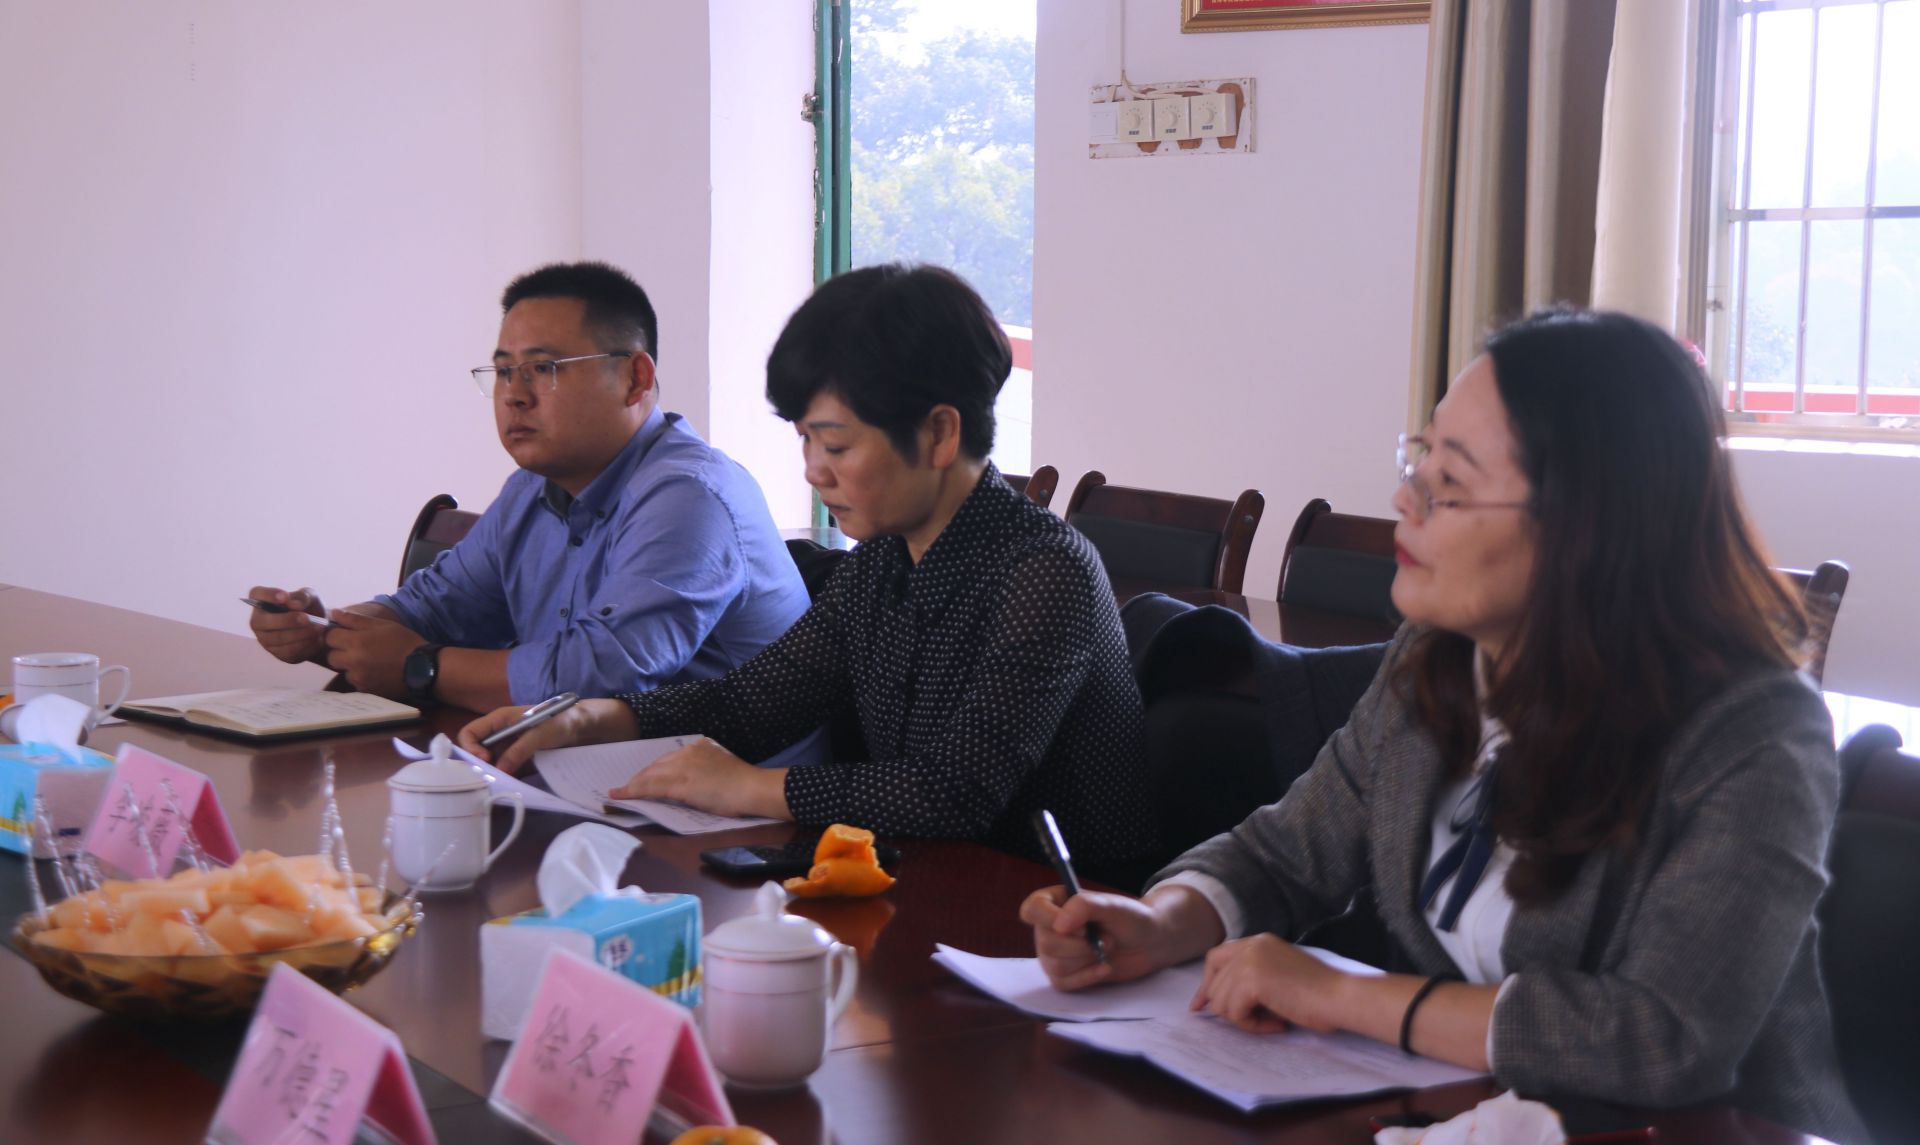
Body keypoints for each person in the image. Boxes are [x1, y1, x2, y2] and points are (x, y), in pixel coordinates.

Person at [1021, 310, 1865, 1141]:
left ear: (1586, 525)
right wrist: (1162, 922)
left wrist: (1345, 995)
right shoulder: (1439, 656)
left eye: (1450, 482)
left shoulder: (1754, 730)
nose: (1404, 497)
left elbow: (1661, 1038)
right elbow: (1284, 851)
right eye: (1420, 456)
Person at [460, 264, 1156, 875]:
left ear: (941, 433)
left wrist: (751, 788)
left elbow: (954, 792)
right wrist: (587, 718)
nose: (814, 471)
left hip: (1057, 916)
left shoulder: (1047, 571)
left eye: (837, 445)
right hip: (921, 883)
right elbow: (751, 704)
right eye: (804, 440)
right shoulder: (882, 561)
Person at [247, 261, 812, 713]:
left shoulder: (689, 495)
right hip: (592, 776)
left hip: (733, 803)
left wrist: (421, 666)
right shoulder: (528, 491)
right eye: (503, 371)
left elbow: (605, 677)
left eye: (544, 368)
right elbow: (432, 611)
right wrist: (324, 631)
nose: (514, 395)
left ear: (635, 378)